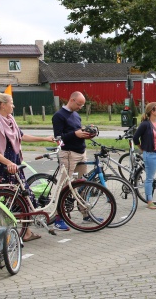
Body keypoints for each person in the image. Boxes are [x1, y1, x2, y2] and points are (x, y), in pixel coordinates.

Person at [0, 91, 55, 242]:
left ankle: (27, 231)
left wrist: (44, 138)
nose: (13, 106)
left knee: (25, 197)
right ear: (3, 105)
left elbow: (21, 136)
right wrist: (8, 163)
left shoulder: (11, 120)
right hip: (1, 168)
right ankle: (3, 234)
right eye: (11, 103)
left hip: (15, 165)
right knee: (5, 201)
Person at [52, 91, 96, 231]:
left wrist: (85, 133)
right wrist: (75, 134)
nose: (80, 107)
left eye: (82, 105)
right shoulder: (58, 116)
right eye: (79, 104)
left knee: (82, 183)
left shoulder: (76, 115)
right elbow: (59, 137)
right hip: (68, 153)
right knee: (64, 185)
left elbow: (77, 132)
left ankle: (85, 214)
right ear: (71, 100)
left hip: (81, 152)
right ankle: (58, 217)